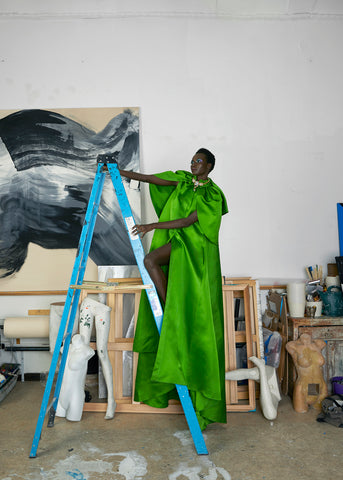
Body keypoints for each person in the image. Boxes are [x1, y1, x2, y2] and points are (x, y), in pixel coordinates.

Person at [120, 148, 228, 430]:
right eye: (192, 160)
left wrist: (151, 226)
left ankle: (200, 400)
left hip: (198, 252)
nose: (193, 164)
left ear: (210, 166)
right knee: (151, 259)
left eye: (199, 161)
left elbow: (189, 221)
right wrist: (125, 174)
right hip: (180, 243)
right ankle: (169, 307)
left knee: (154, 260)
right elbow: (155, 180)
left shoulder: (213, 195)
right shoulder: (182, 180)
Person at [286, 333, 328, 413]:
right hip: (303, 388)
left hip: (320, 386)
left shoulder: (318, 345)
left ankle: (314, 400)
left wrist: (311, 341)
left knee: (320, 410)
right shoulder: (294, 347)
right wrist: (301, 341)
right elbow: (288, 345)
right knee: (301, 412)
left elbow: (323, 342)